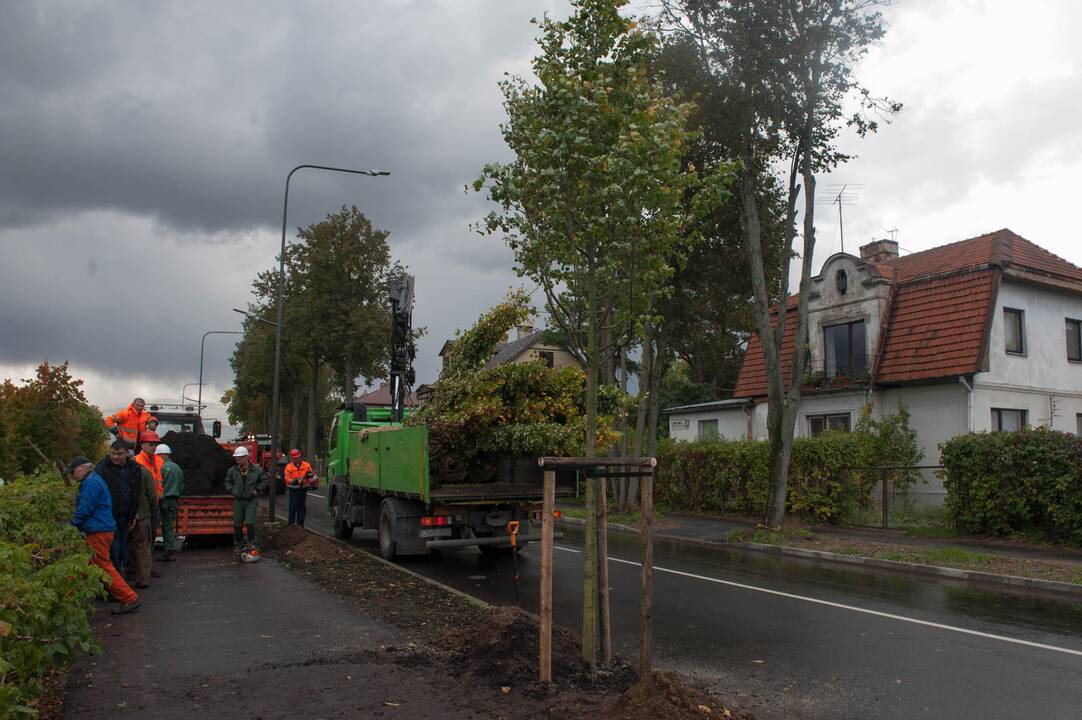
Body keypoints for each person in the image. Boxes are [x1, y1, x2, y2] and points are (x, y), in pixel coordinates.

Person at [68, 456, 141, 614]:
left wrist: (71, 524)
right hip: (101, 529)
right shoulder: (95, 480)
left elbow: (85, 508)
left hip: (98, 531)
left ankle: (129, 598)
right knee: (85, 566)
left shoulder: (91, 483)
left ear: (81, 469)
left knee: (103, 567)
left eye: (73, 472)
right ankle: (69, 599)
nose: (73, 476)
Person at [95, 439, 142, 573]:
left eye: (119, 454)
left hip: (126, 515)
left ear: (127, 453)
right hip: (109, 516)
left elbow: (136, 492)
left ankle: (119, 576)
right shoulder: (103, 468)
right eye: (113, 454)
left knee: (122, 549)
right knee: (113, 550)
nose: (115, 457)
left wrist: (134, 514)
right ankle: (116, 581)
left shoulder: (134, 468)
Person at [126, 445, 160, 589]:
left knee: (127, 546)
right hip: (143, 515)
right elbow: (152, 496)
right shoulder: (143, 472)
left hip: (125, 516)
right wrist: (154, 513)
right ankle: (143, 578)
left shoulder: (118, 473)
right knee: (142, 547)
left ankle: (129, 572)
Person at [224, 446, 267, 555]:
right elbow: (227, 481)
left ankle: (251, 543)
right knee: (237, 524)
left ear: (246, 457)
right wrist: (231, 490)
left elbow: (264, 481)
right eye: (236, 459)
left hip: (250, 500)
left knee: (250, 523)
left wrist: (257, 489)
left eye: (239, 458)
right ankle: (238, 545)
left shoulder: (257, 470)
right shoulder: (232, 471)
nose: (237, 461)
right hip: (238, 500)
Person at [157, 444, 184, 561]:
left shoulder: (160, 467)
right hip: (174, 500)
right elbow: (181, 485)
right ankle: (170, 547)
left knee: (153, 525)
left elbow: (157, 484)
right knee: (168, 525)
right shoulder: (177, 468)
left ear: (161, 454)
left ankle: (151, 551)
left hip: (162, 500)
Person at [283, 448, 316, 528]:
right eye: (295, 458)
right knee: (293, 508)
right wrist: (296, 481)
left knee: (301, 508)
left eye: (298, 457)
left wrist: (312, 478)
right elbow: (287, 479)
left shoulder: (306, 465)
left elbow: (311, 474)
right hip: (293, 490)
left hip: (303, 490)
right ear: (292, 458)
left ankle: (300, 526)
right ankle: (291, 526)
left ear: (300, 457)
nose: (297, 459)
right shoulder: (289, 467)